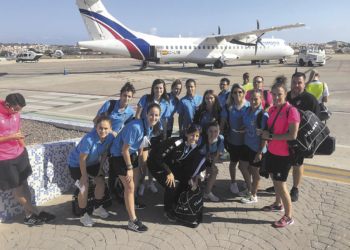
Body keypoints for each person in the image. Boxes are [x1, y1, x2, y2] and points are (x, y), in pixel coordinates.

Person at [0, 93, 56, 226]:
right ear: (7, 104)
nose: (17, 112)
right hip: (5, 159)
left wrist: (24, 149)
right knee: (18, 190)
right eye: (15, 109)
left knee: (25, 185)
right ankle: (38, 213)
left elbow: (18, 131)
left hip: (20, 154)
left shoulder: (15, 114)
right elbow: (12, 135)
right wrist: (11, 137)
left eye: (19, 110)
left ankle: (28, 216)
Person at [265, 72, 320, 202]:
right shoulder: (286, 95)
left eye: (299, 83)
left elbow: (316, 123)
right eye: (294, 82)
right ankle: (278, 185)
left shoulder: (310, 99)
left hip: (299, 140)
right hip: (283, 140)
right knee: (280, 166)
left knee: (297, 164)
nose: (296, 85)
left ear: (304, 84)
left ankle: (295, 188)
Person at [109, 103, 161, 232]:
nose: (153, 117)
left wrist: (139, 162)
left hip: (131, 154)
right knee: (130, 186)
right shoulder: (136, 127)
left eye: (156, 115)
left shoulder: (148, 126)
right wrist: (129, 168)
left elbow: (141, 144)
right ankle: (132, 221)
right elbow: (124, 149)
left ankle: (131, 201)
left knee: (137, 177)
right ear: (146, 114)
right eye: (151, 114)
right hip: (119, 155)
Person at [257, 75, 300, 227]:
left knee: (281, 185)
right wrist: (263, 133)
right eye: (273, 94)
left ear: (285, 94)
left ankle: (288, 216)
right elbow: (271, 130)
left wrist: (271, 136)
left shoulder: (291, 110)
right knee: (275, 181)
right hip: (273, 151)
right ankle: (277, 204)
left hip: (284, 155)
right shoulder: (274, 109)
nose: (276, 97)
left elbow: (292, 135)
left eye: (279, 94)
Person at [147, 123, 201, 222]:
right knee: (170, 185)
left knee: (186, 179)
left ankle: (175, 202)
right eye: (192, 135)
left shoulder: (191, 146)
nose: (194, 138)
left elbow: (185, 163)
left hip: (168, 163)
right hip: (155, 164)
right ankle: (167, 211)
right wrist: (169, 173)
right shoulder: (176, 143)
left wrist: (190, 178)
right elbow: (158, 158)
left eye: (197, 136)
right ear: (186, 134)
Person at [68, 114, 114, 227]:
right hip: (76, 164)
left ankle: (97, 208)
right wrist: (84, 176)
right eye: (100, 128)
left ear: (110, 129)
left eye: (106, 128)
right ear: (96, 127)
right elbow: (81, 159)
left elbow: (105, 152)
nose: (103, 131)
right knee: (84, 187)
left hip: (92, 163)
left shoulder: (111, 137)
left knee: (101, 181)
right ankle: (83, 215)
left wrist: (101, 168)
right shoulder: (89, 139)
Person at [93, 82, 136, 195]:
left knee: (112, 164)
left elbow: (128, 126)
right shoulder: (110, 104)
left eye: (129, 96)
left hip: (111, 142)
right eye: (124, 95)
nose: (126, 98)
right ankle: (92, 186)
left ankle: (110, 189)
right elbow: (95, 120)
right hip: (97, 138)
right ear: (120, 95)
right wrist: (111, 131)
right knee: (91, 162)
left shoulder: (130, 112)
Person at [135, 79, 170, 195]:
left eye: (161, 88)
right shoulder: (146, 98)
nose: (158, 90)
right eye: (156, 87)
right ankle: (141, 183)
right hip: (145, 134)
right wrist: (139, 131)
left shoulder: (165, 102)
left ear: (164, 89)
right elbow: (137, 115)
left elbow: (164, 120)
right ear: (153, 88)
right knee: (143, 161)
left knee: (153, 161)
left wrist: (165, 136)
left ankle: (150, 182)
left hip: (157, 135)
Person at [219, 84, 250, 194]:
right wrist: (221, 143)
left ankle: (247, 182)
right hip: (233, 140)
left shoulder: (248, 105)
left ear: (243, 93)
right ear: (231, 94)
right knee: (233, 162)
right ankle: (233, 183)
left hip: (247, 141)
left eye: (240, 92)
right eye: (235, 92)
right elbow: (221, 126)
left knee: (246, 164)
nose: (237, 94)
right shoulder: (227, 107)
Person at [239, 89, 268, 203]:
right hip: (246, 144)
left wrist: (260, 152)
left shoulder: (262, 115)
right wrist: (242, 129)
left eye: (256, 99)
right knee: (242, 167)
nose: (253, 101)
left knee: (255, 171)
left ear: (261, 99)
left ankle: (254, 195)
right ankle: (249, 188)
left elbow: (265, 136)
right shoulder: (247, 110)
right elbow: (247, 124)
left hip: (256, 148)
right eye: (251, 99)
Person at [195, 120, 224, 202]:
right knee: (195, 173)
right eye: (210, 131)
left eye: (215, 131)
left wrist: (213, 165)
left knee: (214, 171)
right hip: (197, 159)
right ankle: (192, 192)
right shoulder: (200, 139)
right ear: (207, 132)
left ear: (219, 132)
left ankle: (207, 193)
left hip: (208, 159)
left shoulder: (220, 139)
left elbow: (217, 153)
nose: (213, 134)